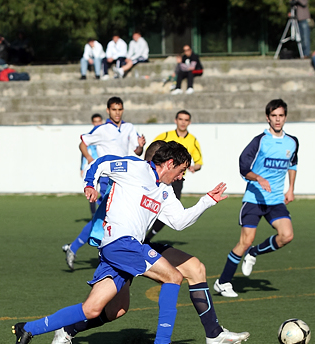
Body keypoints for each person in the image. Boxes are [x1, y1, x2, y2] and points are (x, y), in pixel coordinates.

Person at [12, 141, 229, 344]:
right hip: (120, 243)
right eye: (181, 171)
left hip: (122, 249)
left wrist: (207, 201)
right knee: (173, 276)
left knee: (95, 309)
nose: (181, 177)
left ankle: (28, 329)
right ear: (170, 163)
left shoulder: (165, 192)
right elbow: (101, 163)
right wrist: (90, 184)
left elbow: (180, 222)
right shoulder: (135, 168)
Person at [214, 99, 298, 298]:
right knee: (245, 240)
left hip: (276, 200)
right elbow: (244, 166)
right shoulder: (259, 141)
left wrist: (291, 189)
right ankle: (223, 282)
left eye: (281, 116)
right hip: (254, 198)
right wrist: (258, 178)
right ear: (267, 117)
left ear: (285, 117)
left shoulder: (292, 142)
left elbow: (293, 164)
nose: (277, 120)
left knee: (287, 235)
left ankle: (255, 253)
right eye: (274, 116)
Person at [62, 97, 146, 270]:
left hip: (125, 178)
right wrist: (89, 158)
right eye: (114, 109)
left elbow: (137, 152)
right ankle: (99, 251)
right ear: (108, 110)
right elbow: (83, 144)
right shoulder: (102, 129)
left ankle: (78, 248)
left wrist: (140, 146)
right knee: (106, 216)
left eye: (120, 109)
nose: (117, 112)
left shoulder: (129, 127)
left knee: (107, 216)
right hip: (107, 178)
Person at [145, 110, 203, 242]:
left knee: (169, 209)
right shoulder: (165, 136)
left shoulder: (192, 140)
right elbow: (151, 152)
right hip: (159, 176)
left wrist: (193, 167)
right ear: (176, 120)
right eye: (181, 119)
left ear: (189, 122)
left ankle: (148, 237)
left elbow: (199, 162)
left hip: (176, 180)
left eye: (186, 120)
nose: (183, 122)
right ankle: (142, 235)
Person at [81, 114, 104, 216]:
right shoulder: (90, 136)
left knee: (105, 191)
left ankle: (104, 214)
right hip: (93, 168)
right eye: (95, 122)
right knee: (91, 191)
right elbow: (83, 151)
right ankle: (94, 215)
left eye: (99, 121)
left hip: (104, 168)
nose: (97, 124)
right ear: (92, 123)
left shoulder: (105, 135)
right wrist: (82, 167)